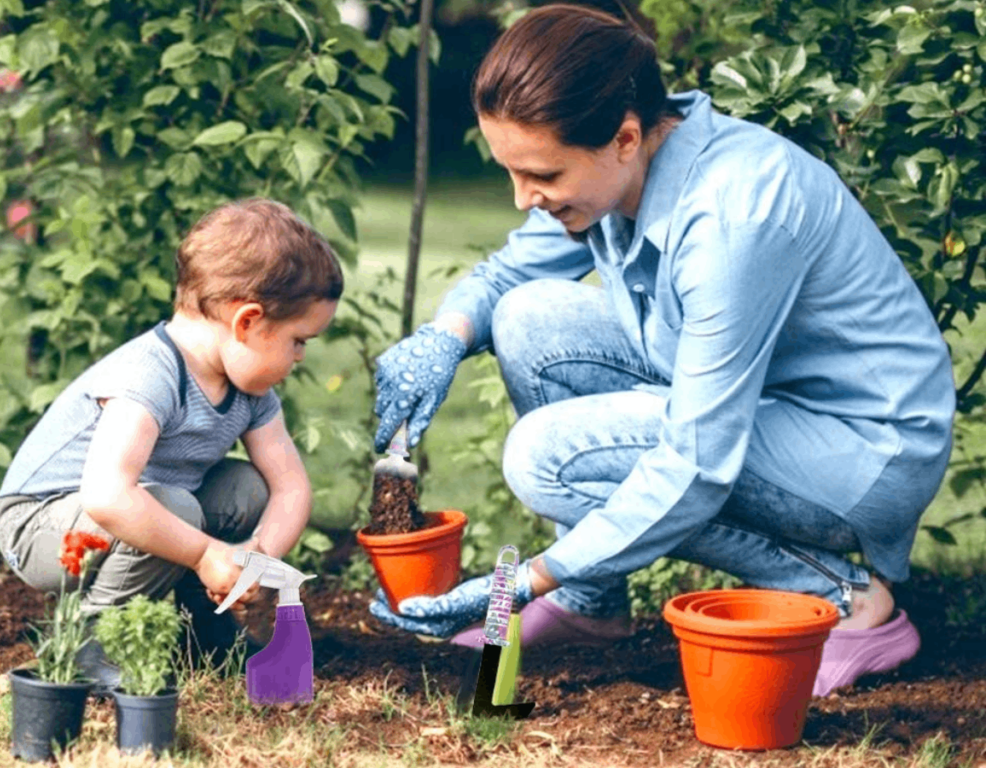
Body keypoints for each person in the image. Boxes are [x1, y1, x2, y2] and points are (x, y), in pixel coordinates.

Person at [368, 4, 955, 697]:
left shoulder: (731, 215)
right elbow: (504, 280)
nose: (524, 198)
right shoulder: (620, 168)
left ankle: (847, 601)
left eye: (544, 177)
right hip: (772, 404)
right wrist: (445, 336)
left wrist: (534, 576)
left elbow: (697, 462)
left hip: (862, 451)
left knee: (545, 457)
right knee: (527, 318)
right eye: (512, 172)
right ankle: (594, 604)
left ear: (623, 136)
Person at [0, 199, 342, 693]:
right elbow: (108, 496)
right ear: (247, 321)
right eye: (298, 340)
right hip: (43, 528)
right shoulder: (151, 374)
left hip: (134, 510)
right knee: (172, 507)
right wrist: (205, 556)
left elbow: (290, 488)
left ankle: (203, 631)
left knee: (246, 485)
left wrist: (250, 561)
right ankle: (90, 645)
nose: (302, 356)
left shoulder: (251, 390)